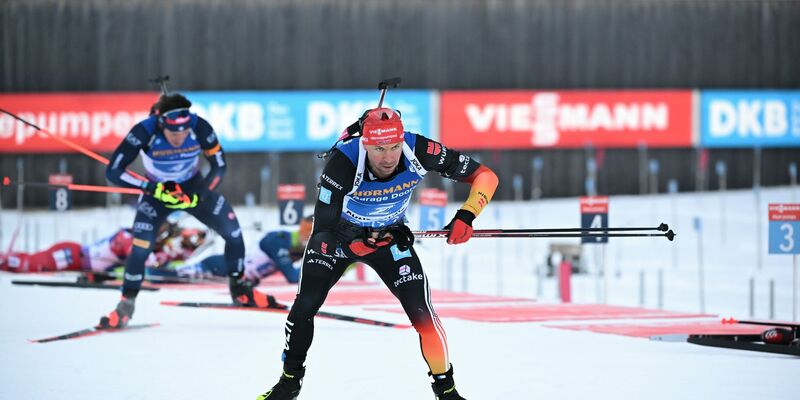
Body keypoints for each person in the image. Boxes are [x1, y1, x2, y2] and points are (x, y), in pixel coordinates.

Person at [257, 107, 498, 400]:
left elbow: (485, 176)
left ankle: (447, 392)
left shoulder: (419, 149)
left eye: (395, 146)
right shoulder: (344, 162)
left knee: (423, 315)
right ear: (365, 144)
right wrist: (355, 245)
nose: (388, 157)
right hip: (338, 237)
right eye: (379, 148)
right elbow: (321, 232)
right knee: (305, 305)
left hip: (389, 236)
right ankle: (289, 383)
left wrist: (467, 214)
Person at [101, 92, 266, 329]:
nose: (179, 138)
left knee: (234, 233)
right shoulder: (144, 131)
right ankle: (126, 305)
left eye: (183, 132)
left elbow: (219, 166)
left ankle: (239, 288)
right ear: (162, 125)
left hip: (193, 189)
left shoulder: (199, 127)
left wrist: (199, 194)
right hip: (157, 193)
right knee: (140, 247)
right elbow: (114, 171)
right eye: (172, 133)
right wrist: (150, 187)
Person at [152, 217, 312, 284]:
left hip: (227, 273)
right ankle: (140, 273)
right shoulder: (278, 242)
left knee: (169, 275)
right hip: (217, 268)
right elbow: (292, 276)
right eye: (308, 233)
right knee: (163, 275)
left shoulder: (294, 245)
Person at [0, 222, 190, 276]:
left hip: (79, 263)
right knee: (29, 265)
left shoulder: (139, 241)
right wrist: (163, 255)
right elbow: (140, 258)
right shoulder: (126, 238)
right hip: (72, 255)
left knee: (30, 262)